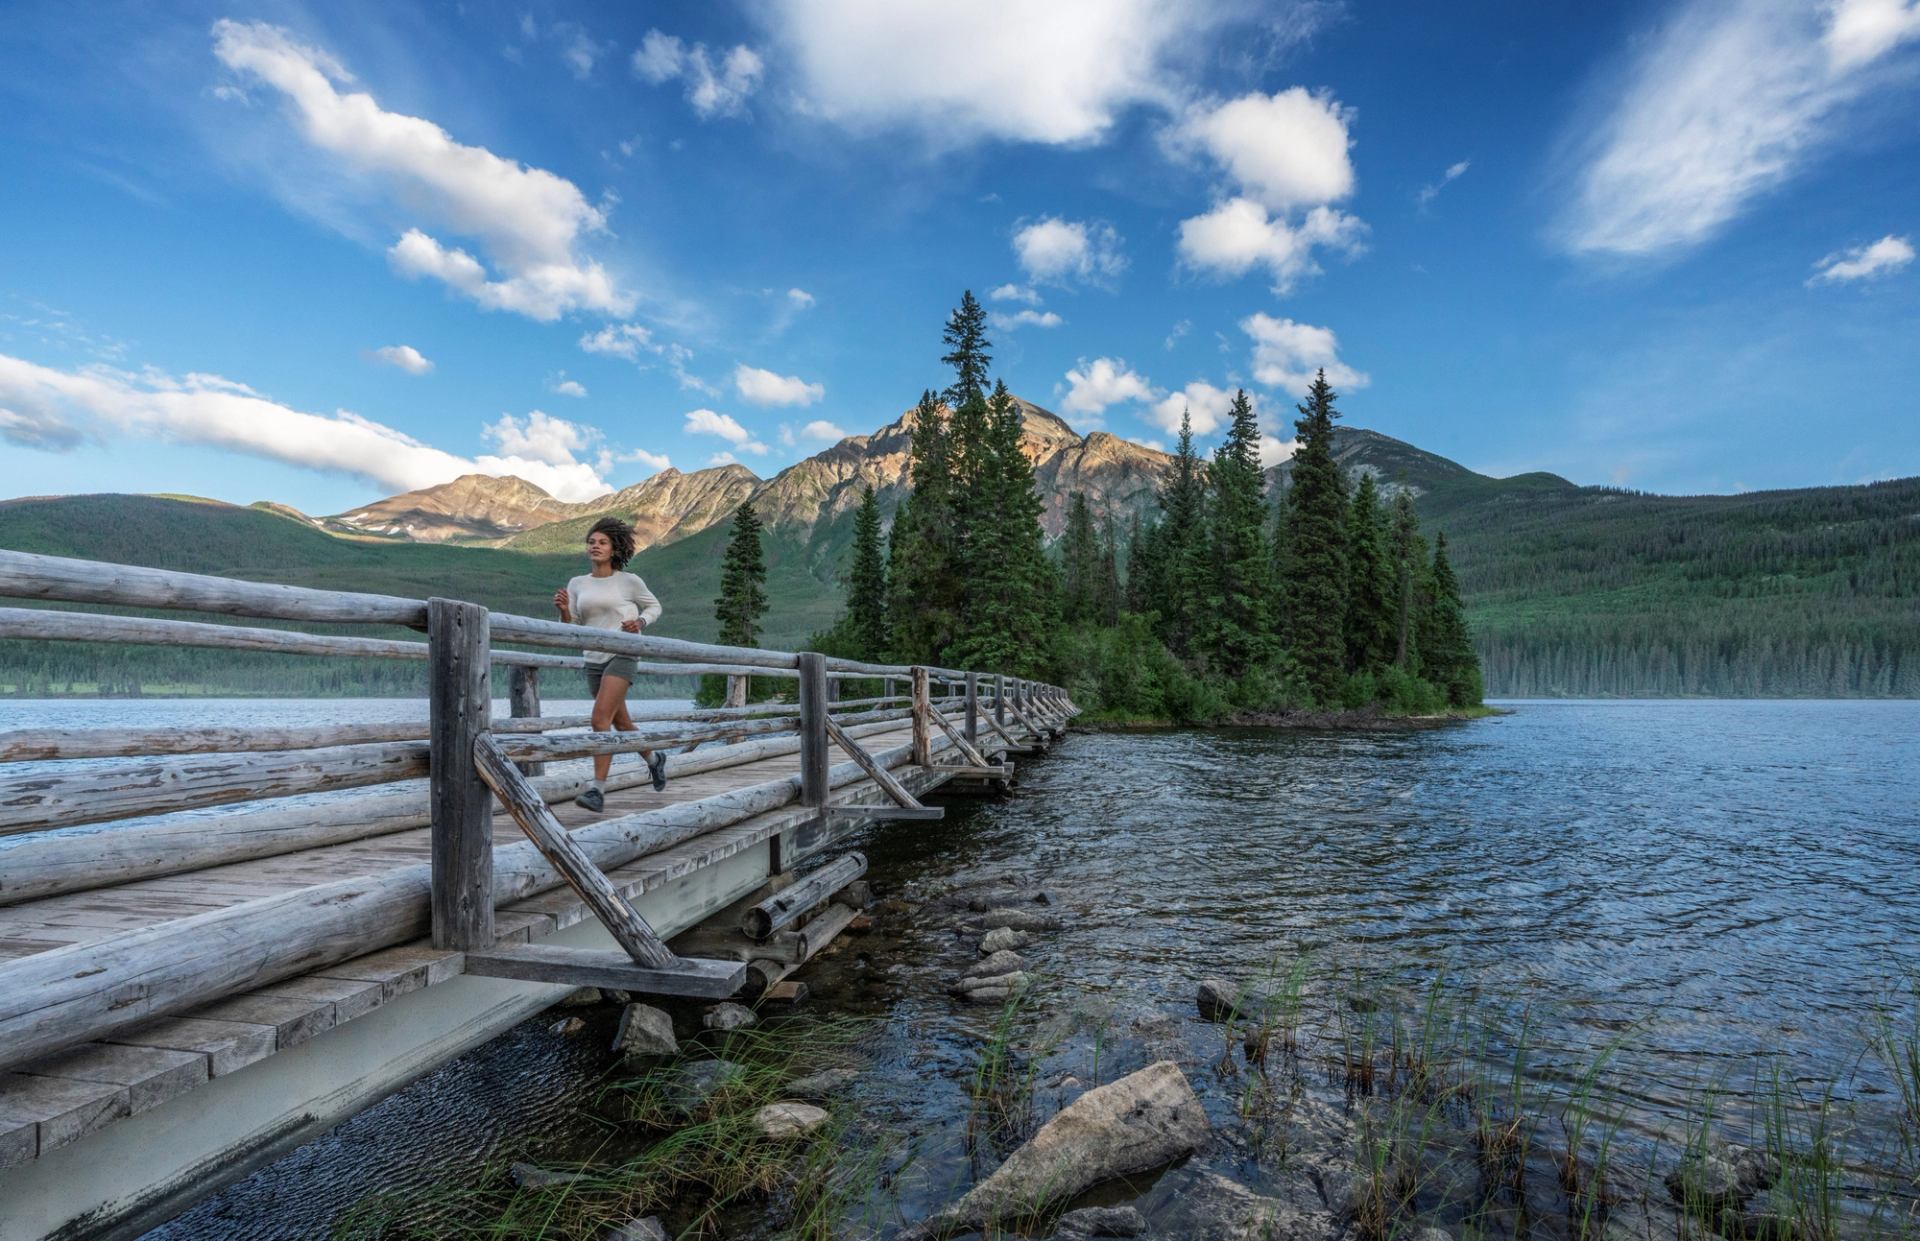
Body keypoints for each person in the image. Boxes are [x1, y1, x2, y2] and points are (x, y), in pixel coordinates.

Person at [553, 516, 666, 811]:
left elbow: (654, 606)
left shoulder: (628, 581)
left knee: (599, 719)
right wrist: (565, 610)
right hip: (592, 656)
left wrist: (640, 621)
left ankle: (597, 791)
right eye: (591, 542)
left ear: (615, 549)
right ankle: (654, 759)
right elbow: (573, 625)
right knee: (621, 721)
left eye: (602, 542)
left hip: (624, 651)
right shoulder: (577, 583)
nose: (595, 546)